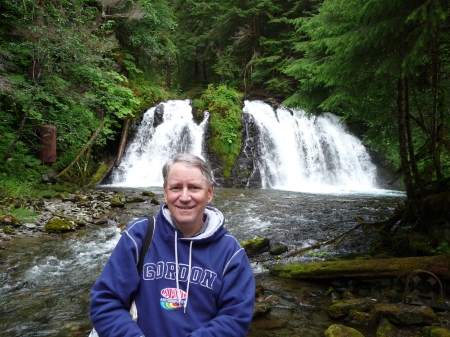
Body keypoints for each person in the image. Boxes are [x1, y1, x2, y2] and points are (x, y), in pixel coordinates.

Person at [90, 153, 255, 337]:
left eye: (194, 188)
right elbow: (105, 301)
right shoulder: (140, 236)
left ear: (209, 192)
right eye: (176, 187)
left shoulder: (231, 253)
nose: (185, 197)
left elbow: (235, 320)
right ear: (165, 193)